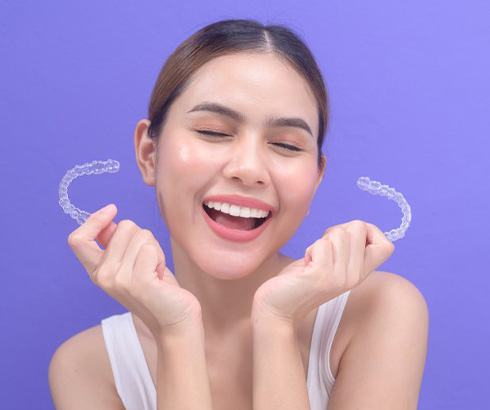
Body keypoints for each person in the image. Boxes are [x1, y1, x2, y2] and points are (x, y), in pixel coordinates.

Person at [48, 18, 429, 410]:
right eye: (213, 132)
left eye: (285, 144)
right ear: (149, 154)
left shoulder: (379, 310)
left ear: (315, 178)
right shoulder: (88, 368)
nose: (248, 168)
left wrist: (277, 322)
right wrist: (177, 333)